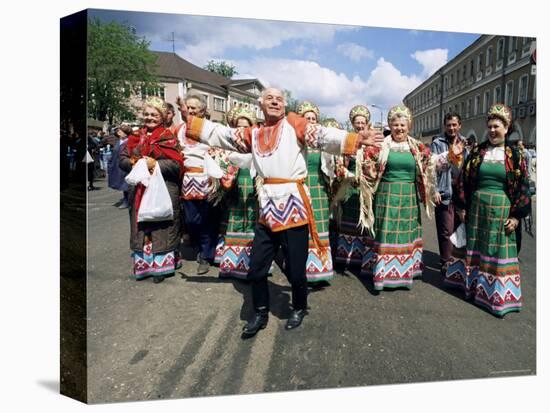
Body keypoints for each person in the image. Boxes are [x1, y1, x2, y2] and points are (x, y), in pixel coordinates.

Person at [177, 87, 381, 335]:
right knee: (256, 269)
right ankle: (260, 312)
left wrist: (356, 139)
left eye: (279, 99)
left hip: (294, 206)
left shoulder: (295, 123)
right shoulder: (254, 133)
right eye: (269, 98)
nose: (275, 102)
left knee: (296, 269)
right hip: (267, 209)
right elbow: (225, 135)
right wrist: (191, 121)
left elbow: (322, 135)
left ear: (284, 104)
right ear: (260, 105)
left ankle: (299, 306)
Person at [445, 104, 531, 316]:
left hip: (501, 210)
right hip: (477, 209)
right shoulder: (477, 152)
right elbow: (463, 180)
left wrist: (516, 216)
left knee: (496, 250)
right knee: (475, 248)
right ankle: (473, 288)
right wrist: (463, 207)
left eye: (497, 126)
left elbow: (523, 186)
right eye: (490, 126)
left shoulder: (515, 155)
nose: (493, 130)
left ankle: (496, 297)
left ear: (507, 127)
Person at [358, 105, 436, 291]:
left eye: (403, 125)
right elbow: (365, 166)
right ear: (390, 126)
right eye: (395, 125)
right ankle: (382, 275)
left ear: (409, 126)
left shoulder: (417, 147)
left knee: (405, 234)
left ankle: (403, 273)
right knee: (386, 232)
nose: (399, 128)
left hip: (408, 198)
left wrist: (449, 157)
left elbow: (430, 165)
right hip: (385, 196)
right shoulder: (380, 146)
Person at [119, 97, 184, 284]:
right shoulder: (134, 137)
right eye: (146, 114)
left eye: (154, 114)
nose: (149, 117)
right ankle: (144, 266)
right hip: (138, 189)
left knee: (160, 225)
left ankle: (161, 267)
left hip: (163, 189)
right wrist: (134, 163)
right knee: (141, 226)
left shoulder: (168, 137)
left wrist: (154, 164)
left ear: (162, 116)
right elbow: (121, 159)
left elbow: (176, 165)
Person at [176, 94, 223, 275]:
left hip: (207, 179)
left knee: (207, 220)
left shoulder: (211, 129)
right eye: (188, 107)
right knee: (190, 219)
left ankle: (205, 255)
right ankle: (201, 245)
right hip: (187, 180)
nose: (190, 110)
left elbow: (221, 152)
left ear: (203, 111)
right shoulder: (179, 129)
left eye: (194, 108)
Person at [215, 107, 259, 280]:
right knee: (233, 221)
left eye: (245, 126)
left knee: (251, 221)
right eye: (237, 126)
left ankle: (251, 265)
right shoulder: (227, 144)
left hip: (252, 186)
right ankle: (231, 264)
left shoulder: (255, 144)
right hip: (233, 187)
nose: (241, 129)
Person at [297, 101, 334, 284]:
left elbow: (331, 166)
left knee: (319, 227)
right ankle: (300, 268)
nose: (311, 121)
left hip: (318, 189)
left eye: (313, 118)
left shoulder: (322, 142)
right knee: (300, 227)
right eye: (307, 118)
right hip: (299, 187)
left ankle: (319, 269)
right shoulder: (295, 139)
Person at [333, 105, 372, 271]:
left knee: (364, 220)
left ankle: (364, 256)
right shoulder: (347, 141)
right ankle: (346, 256)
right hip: (349, 188)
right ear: (353, 124)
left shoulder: (372, 142)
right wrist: (349, 175)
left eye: (363, 122)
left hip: (366, 189)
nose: (360, 125)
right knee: (348, 219)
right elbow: (338, 164)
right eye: (357, 122)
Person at [430, 113, 468, 275]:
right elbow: (431, 168)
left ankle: (457, 260)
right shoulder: (438, 143)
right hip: (444, 191)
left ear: (459, 125)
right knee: (445, 229)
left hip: (461, 193)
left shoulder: (465, 143)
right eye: (448, 125)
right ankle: (446, 261)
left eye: (454, 125)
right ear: (444, 126)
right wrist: (434, 189)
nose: (451, 128)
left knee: (460, 228)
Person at [108, 125, 132, 208]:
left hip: (126, 166)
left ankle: (127, 201)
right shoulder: (118, 141)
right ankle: (127, 200)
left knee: (126, 184)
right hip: (117, 165)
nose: (118, 132)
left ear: (126, 133)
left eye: (120, 131)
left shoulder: (129, 142)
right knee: (122, 183)